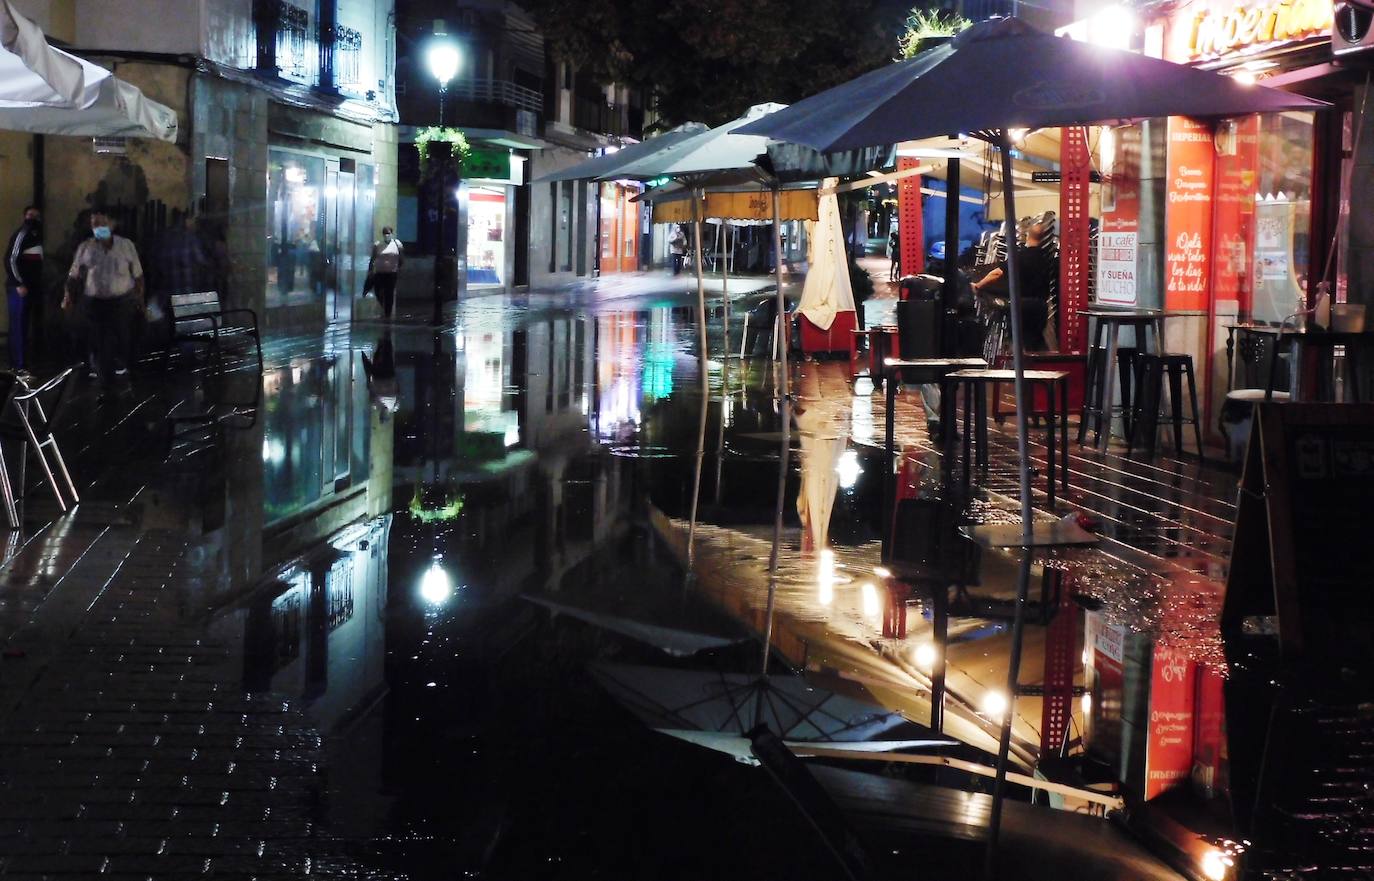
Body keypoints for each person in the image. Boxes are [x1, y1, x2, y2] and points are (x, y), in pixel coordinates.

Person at [65, 210, 144, 389]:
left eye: (102, 223)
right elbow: (74, 275)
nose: (98, 228)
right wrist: (68, 296)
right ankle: (105, 379)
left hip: (121, 302)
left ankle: (124, 371)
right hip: (96, 303)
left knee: (123, 338)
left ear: (112, 224)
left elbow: (138, 275)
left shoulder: (126, 246)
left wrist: (140, 299)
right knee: (99, 341)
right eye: (94, 224)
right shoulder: (86, 247)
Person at [970, 215, 1056, 351]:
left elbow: (997, 273)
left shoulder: (1020, 256)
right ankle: (1036, 367)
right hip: (1040, 307)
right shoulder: (1047, 258)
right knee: (1035, 341)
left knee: (1018, 343)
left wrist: (978, 285)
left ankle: (1019, 369)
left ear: (1028, 235)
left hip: (1021, 306)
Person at [5, 206, 43, 374]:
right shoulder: (22, 233)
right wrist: (19, 283)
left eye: (35, 216)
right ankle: (18, 366)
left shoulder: (36, 236)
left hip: (30, 288)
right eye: (29, 215)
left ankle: (22, 363)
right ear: (24, 216)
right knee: (18, 326)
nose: (32, 218)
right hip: (19, 289)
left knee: (24, 325)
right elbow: (10, 259)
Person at [367, 226, 404, 320]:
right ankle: (383, 304)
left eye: (388, 233)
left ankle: (388, 313)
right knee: (378, 290)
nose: (387, 235)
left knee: (389, 292)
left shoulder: (397, 244)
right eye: (385, 234)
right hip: (380, 272)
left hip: (392, 273)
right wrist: (370, 270)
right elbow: (373, 258)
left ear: (392, 234)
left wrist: (399, 267)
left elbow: (401, 257)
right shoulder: (378, 244)